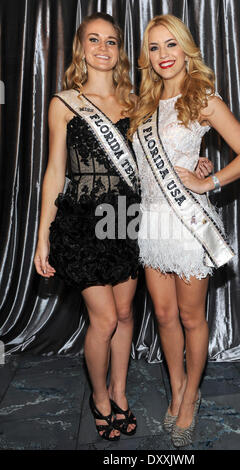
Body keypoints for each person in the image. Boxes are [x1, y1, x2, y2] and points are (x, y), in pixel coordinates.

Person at [129, 14, 240, 447]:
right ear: (146, 56)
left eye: (171, 45)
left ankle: (189, 400)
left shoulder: (201, 96)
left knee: (190, 317)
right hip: (152, 224)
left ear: (186, 50)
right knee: (164, 316)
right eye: (154, 47)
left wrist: (208, 180)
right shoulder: (143, 105)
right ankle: (178, 387)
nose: (163, 55)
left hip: (189, 224)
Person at [34, 12, 141, 441]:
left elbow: (155, 161)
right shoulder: (63, 103)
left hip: (126, 220)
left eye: (111, 41)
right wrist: (43, 236)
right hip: (80, 223)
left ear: (119, 51)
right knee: (103, 320)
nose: (103, 48)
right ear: (81, 48)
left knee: (125, 314)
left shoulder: (135, 103)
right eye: (93, 40)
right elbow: (55, 171)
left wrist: (200, 164)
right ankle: (99, 396)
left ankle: (120, 388)